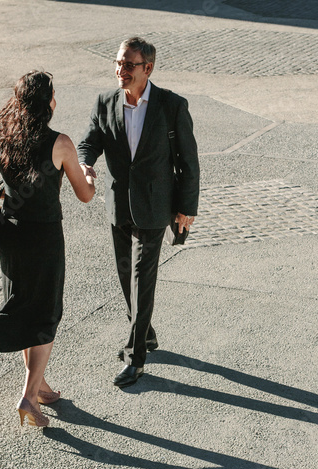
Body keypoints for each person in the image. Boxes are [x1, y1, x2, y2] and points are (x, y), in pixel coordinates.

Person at [0, 70, 96, 427]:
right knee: (45, 314)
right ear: (48, 102)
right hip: (44, 238)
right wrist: (88, 175)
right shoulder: (61, 143)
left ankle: (39, 387)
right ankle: (28, 394)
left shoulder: (1, 135)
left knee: (24, 307)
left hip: (11, 234)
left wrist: (8, 198)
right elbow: (84, 196)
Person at [77, 37, 200, 388]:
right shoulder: (105, 102)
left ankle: (136, 356)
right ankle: (145, 333)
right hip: (117, 204)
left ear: (148, 68)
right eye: (118, 63)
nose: (120, 70)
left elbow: (188, 162)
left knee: (142, 279)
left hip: (154, 205)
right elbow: (89, 142)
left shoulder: (171, 106)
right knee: (124, 276)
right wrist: (86, 165)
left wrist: (186, 209)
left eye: (128, 65)